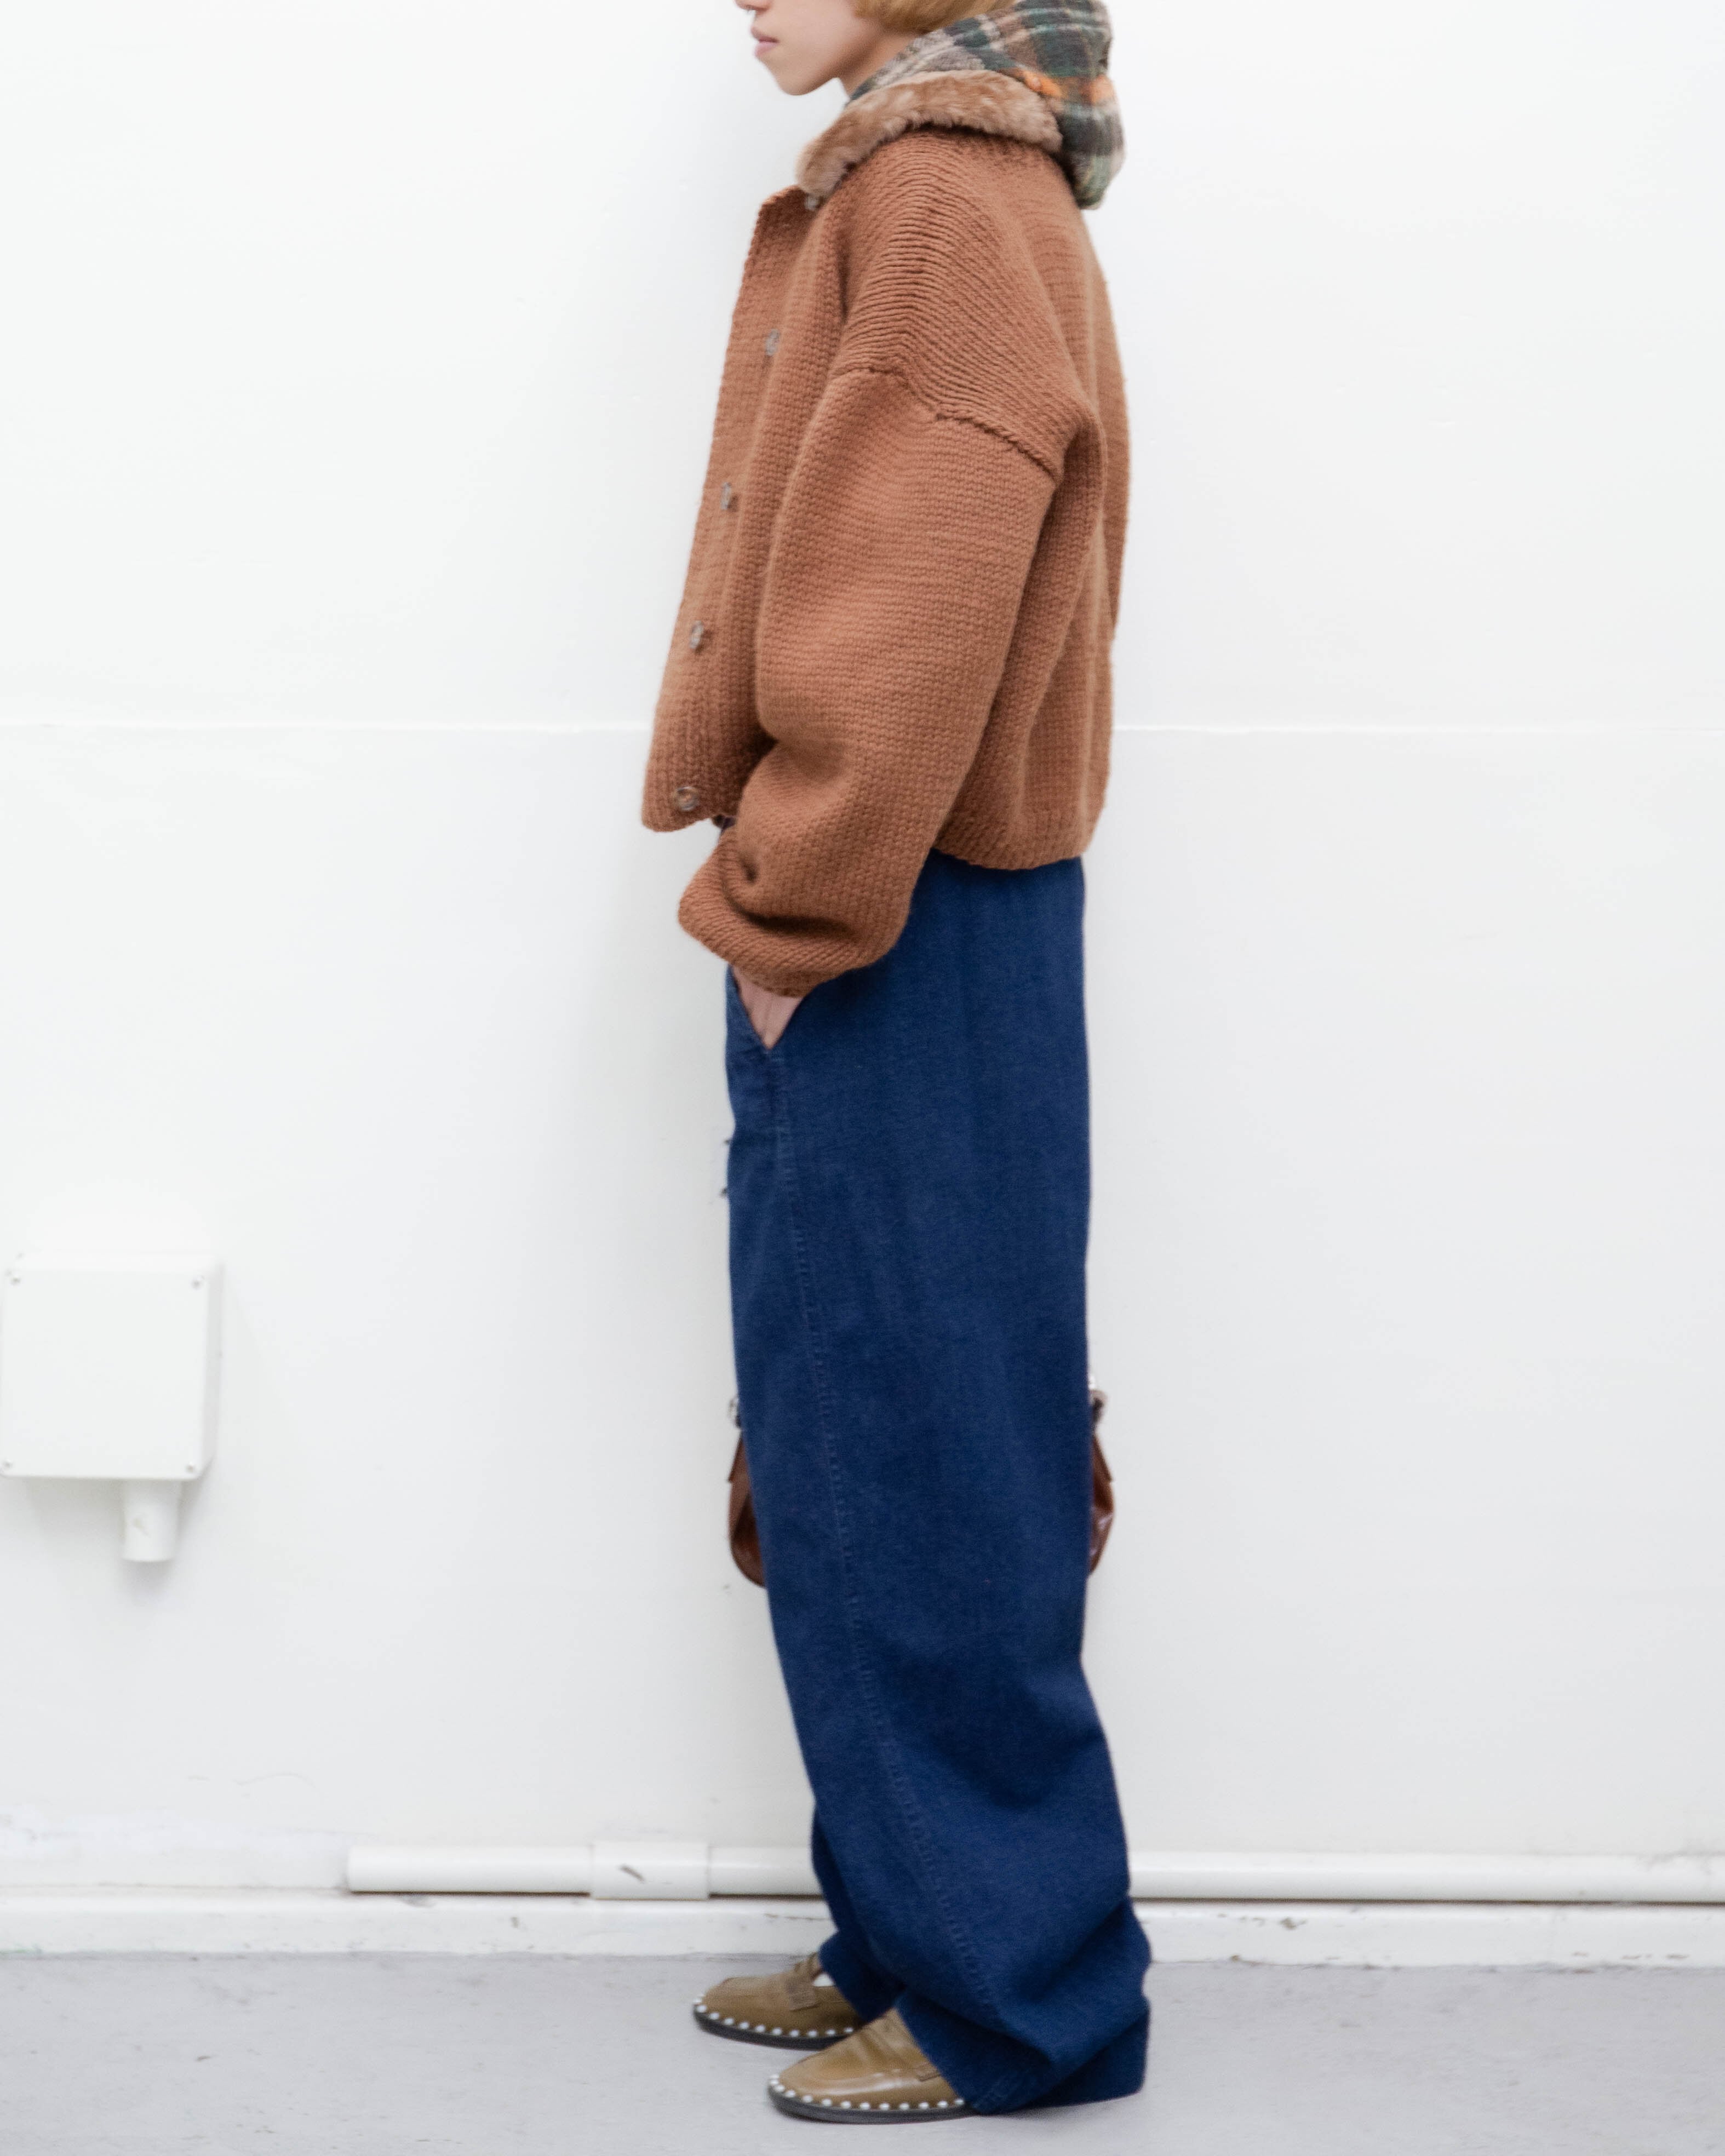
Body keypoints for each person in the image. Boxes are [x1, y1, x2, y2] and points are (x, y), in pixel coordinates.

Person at [641, 0, 1144, 2122]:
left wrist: (796, 902)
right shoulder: (942, 168)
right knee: (856, 1439)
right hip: (914, 905)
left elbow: (909, 598)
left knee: (924, 1444)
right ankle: (912, 1928)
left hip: (900, 908)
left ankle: (1014, 1996)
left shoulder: (939, 188)